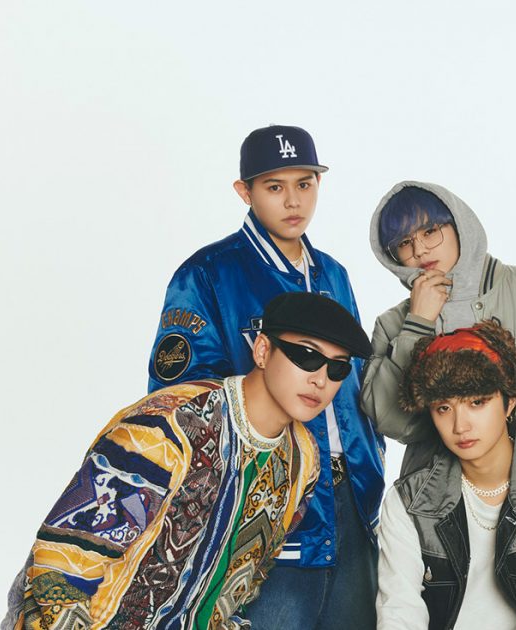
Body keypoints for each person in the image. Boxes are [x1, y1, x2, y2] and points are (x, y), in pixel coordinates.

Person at [3, 293, 373, 629]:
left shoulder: (302, 460)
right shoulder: (167, 428)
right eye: (307, 356)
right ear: (262, 351)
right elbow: (61, 567)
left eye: (337, 368)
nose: (321, 379)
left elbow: (244, 582)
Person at [147, 125, 384, 629]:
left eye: (305, 183)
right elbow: (181, 403)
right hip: (267, 505)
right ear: (245, 191)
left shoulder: (334, 274)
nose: (293, 201)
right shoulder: (208, 274)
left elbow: (354, 382)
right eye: (275, 186)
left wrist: (372, 463)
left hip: (352, 500)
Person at [362, 181, 516, 474]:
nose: (419, 250)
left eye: (430, 231)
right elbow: (392, 422)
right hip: (440, 495)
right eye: (404, 243)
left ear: (459, 226)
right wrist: (417, 325)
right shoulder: (393, 324)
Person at [376, 322, 516, 629]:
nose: (460, 426)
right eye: (443, 408)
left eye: (477, 402)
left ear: (510, 402)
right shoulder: (408, 502)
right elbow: (399, 610)